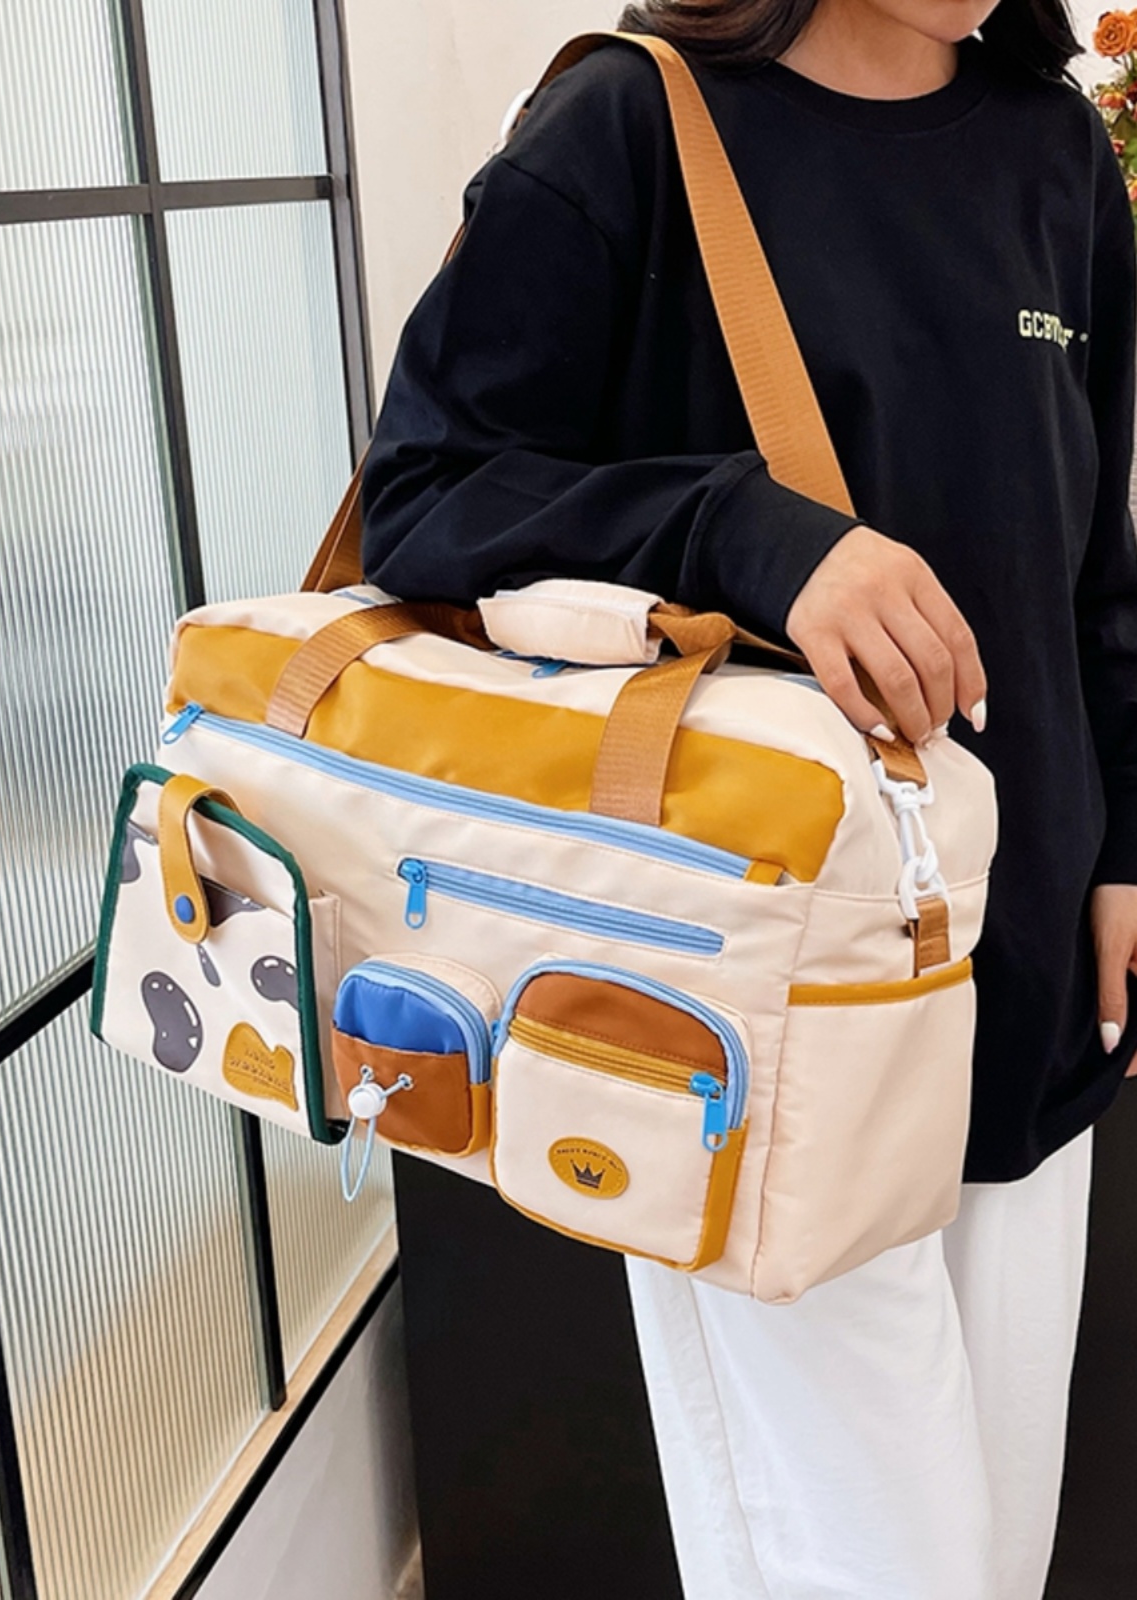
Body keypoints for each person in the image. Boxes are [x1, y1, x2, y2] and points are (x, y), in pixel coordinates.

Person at [359, 0, 1137, 1594]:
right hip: (764, 1015)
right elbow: (429, 498)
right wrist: (749, 534)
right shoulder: (628, 130)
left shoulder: (1055, 148)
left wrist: (1127, 837)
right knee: (877, 1568)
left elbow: (1093, 559)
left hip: (1027, 975)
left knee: (1000, 1554)